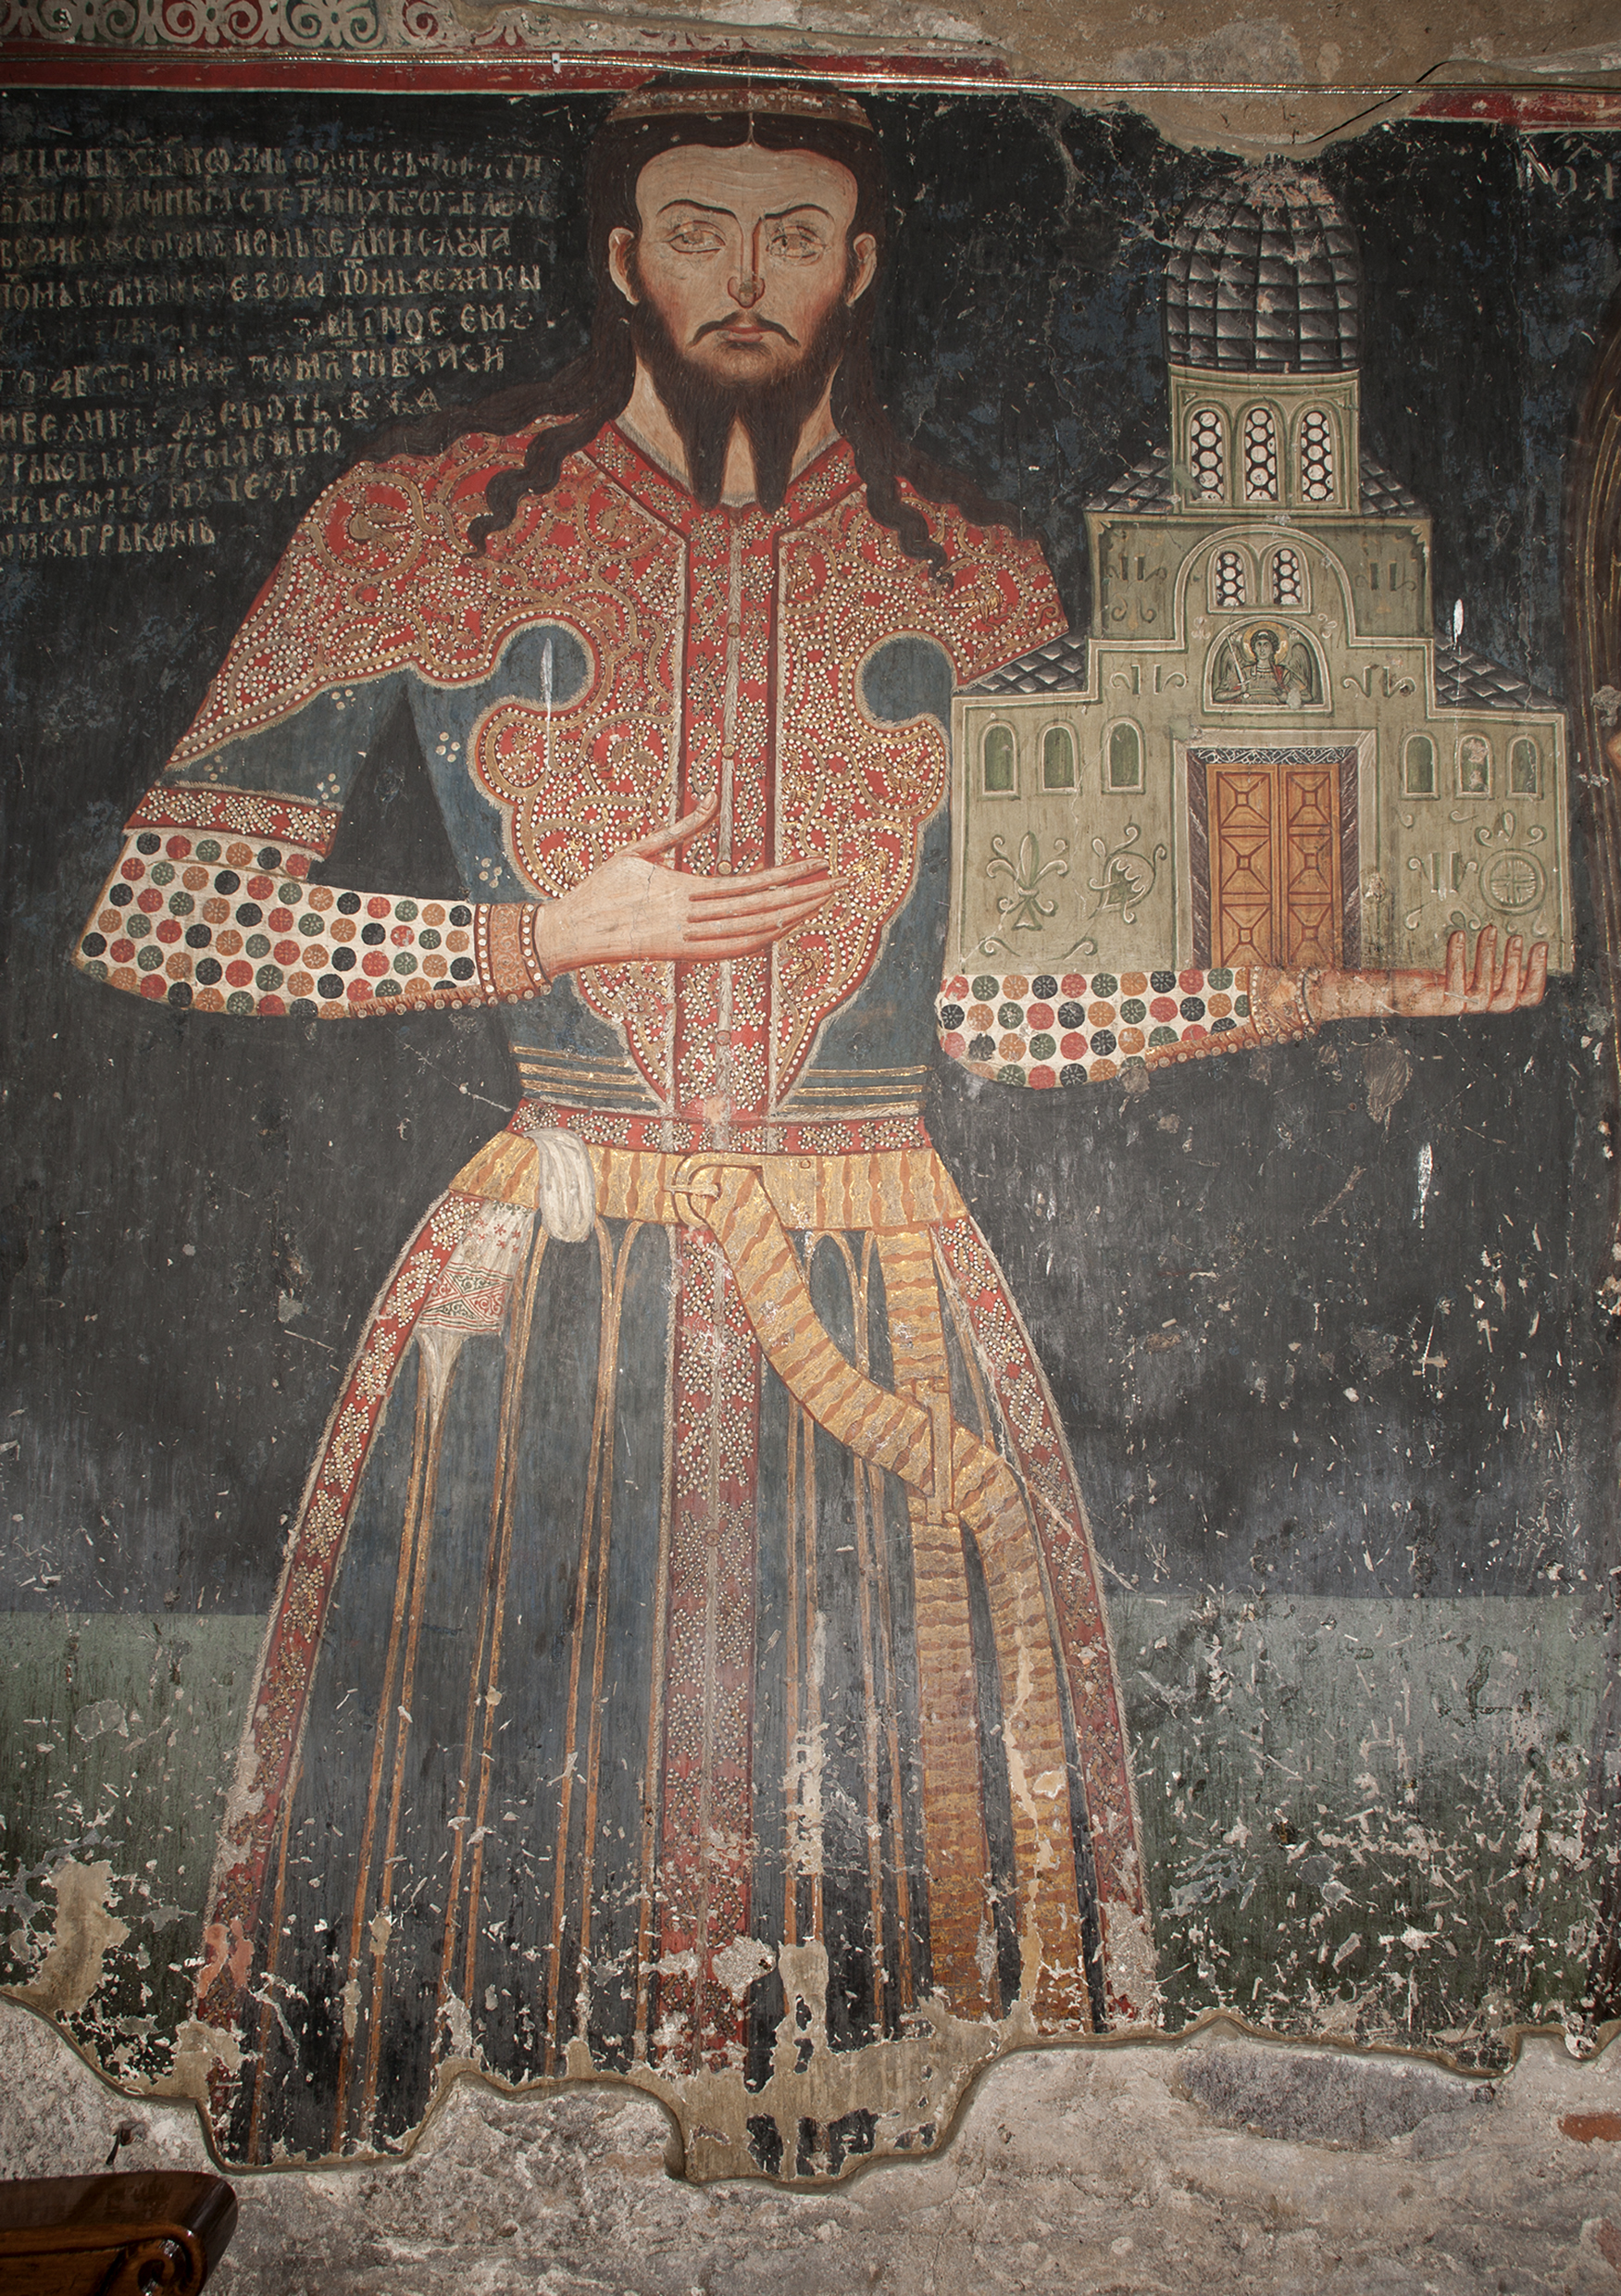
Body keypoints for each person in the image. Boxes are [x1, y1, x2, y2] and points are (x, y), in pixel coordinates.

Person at [74, 72, 1547, 2177]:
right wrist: (539, 935)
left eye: (790, 232)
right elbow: (167, 909)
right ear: (622, 256)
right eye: (697, 224)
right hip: (551, 1281)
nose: (740, 275)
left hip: (881, 1274)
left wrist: (1348, 985)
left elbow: (1015, 1000)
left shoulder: (978, 577)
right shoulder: (422, 524)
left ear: (859, 265)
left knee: (908, 1840)